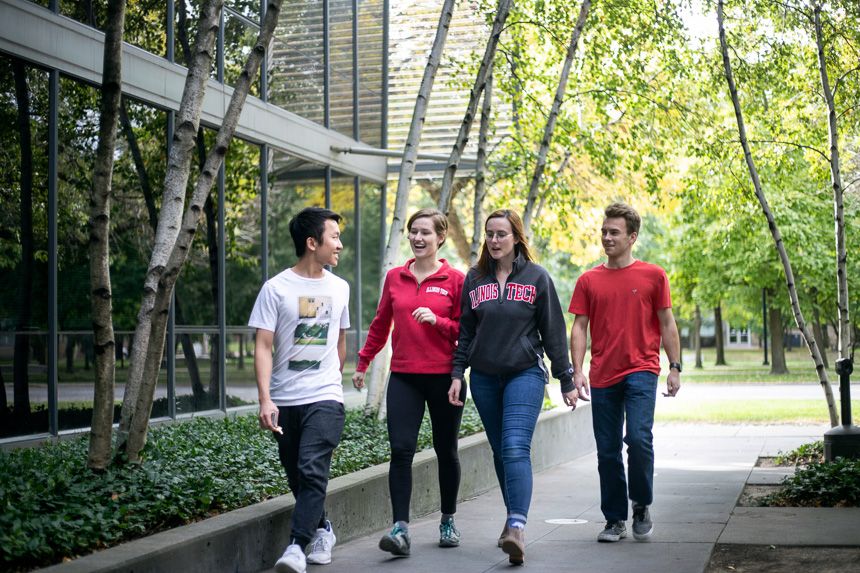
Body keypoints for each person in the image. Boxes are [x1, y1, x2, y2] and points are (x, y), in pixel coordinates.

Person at [447, 209, 576, 566]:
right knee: (501, 452)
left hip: (525, 373)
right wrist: (458, 373)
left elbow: (553, 331)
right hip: (485, 378)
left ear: (517, 238)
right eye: (489, 233)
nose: (494, 240)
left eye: (501, 234)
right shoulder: (474, 279)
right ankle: (511, 520)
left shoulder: (537, 277)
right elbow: (466, 332)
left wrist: (566, 378)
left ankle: (517, 526)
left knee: (515, 445)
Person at [352, 208, 466, 556]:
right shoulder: (395, 277)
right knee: (401, 450)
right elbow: (380, 322)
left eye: (425, 233)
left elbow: (467, 332)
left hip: (446, 379)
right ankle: (400, 528)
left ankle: (447, 519)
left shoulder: (456, 281)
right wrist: (363, 362)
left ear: (440, 237)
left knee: (445, 450)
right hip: (404, 377)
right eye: (413, 231)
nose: (418, 238)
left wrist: (438, 321)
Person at [568, 202, 681, 544]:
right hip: (603, 373)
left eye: (614, 232)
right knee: (607, 449)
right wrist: (577, 371)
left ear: (632, 237)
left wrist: (674, 367)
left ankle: (641, 503)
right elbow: (579, 328)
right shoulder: (589, 279)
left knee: (639, 439)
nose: (606, 237)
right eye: (604, 231)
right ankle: (615, 519)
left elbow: (667, 323)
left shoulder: (653, 275)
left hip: (642, 369)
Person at [249, 207, 351, 573]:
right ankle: (323, 528)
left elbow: (339, 342)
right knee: (296, 472)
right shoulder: (275, 289)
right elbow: (263, 345)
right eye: (334, 237)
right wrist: (265, 399)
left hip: (325, 397)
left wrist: (331, 382)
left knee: (311, 467)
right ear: (312, 243)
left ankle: (296, 547)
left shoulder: (340, 288)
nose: (340, 244)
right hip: (285, 399)